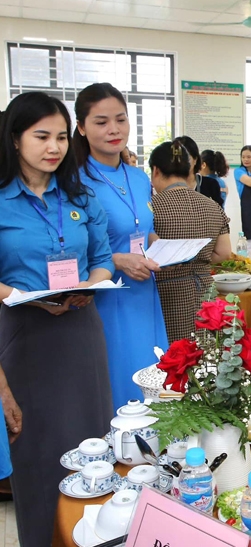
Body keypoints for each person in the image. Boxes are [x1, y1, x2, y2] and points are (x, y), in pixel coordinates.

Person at [0, 92, 115, 547]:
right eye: (41, 136)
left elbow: (103, 258)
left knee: (93, 448)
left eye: (62, 137)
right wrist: (19, 296)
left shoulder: (78, 196)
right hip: (26, 337)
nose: (55, 146)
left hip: (81, 332)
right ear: (14, 139)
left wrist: (91, 282)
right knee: (41, 454)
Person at [73, 82, 169, 409]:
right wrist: (118, 259)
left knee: (156, 380)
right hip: (108, 295)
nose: (114, 129)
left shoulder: (139, 177)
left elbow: (144, 231)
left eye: (121, 119)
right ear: (81, 128)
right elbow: (72, 249)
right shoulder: (73, 180)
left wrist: (166, 248)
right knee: (122, 386)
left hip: (146, 291)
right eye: (101, 122)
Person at [151, 141, 232, 343]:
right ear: (190, 170)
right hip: (205, 294)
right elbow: (224, 253)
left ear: (155, 171)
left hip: (166, 296)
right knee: (206, 361)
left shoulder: (151, 209)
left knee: (172, 360)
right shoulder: (212, 207)